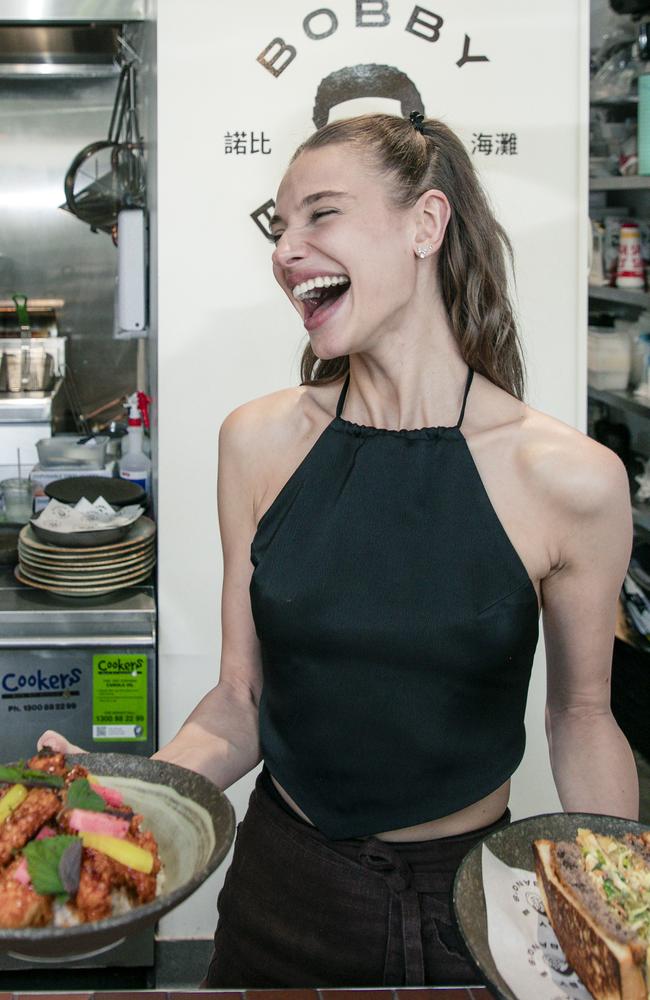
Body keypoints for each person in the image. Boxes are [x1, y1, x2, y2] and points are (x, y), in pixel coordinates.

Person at [40, 112, 639, 989]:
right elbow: (239, 699)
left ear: (425, 226)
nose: (288, 250)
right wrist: (121, 793)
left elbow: (582, 717)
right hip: (284, 892)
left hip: (471, 907)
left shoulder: (573, 480)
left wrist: (620, 921)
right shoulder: (255, 442)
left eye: (320, 215)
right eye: (280, 224)